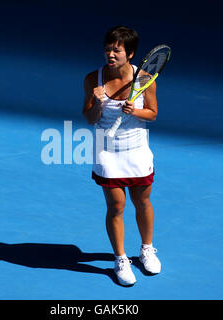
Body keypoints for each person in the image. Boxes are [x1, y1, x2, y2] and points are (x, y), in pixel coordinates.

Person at [82, 26, 161, 286]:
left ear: (131, 53)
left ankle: (147, 249)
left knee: (143, 202)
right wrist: (98, 103)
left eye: (117, 50)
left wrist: (135, 111)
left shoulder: (146, 79)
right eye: (108, 49)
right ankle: (120, 258)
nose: (111, 54)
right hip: (107, 150)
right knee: (116, 206)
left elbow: (153, 113)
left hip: (137, 150)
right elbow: (90, 118)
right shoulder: (94, 79)